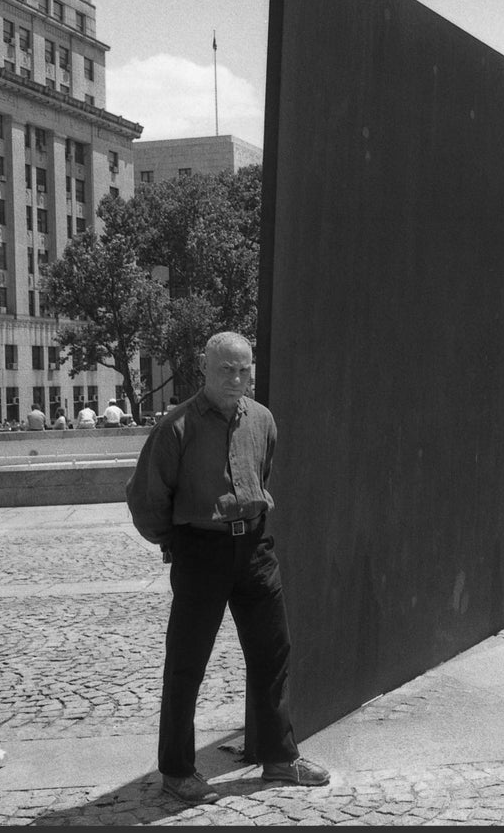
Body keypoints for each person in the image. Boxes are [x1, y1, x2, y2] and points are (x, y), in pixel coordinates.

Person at [127, 331, 329, 804]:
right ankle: (177, 770)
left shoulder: (262, 419)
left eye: (244, 369)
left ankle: (280, 758)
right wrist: (176, 543)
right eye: (226, 369)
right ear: (205, 368)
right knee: (187, 664)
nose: (237, 378)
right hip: (201, 552)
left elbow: (263, 473)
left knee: (273, 652)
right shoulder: (175, 427)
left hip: (255, 548)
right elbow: (147, 499)